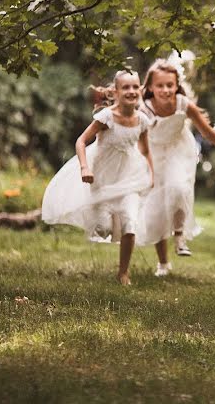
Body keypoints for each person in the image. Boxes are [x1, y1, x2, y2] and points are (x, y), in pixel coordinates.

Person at [41, 70, 154, 285]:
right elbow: (81, 141)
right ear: (115, 91)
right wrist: (85, 168)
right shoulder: (106, 117)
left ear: (140, 90)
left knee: (130, 222)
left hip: (129, 178)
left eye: (134, 87)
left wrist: (152, 174)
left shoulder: (143, 121)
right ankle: (106, 224)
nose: (131, 91)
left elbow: (146, 150)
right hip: (101, 178)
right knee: (102, 228)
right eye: (125, 87)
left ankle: (123, 272)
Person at [137, 56, 215, 277]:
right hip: (153, 154)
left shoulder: (183, 104)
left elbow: (207, 132)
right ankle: (163, 264)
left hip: (179, 151)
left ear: (177, 85)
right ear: (150, 87)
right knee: (158, 207)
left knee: (178, 189)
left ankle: (179, 237)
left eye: (170, 85)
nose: (166, 90)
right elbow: (137, 138)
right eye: (160, 85)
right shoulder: (145, 109)